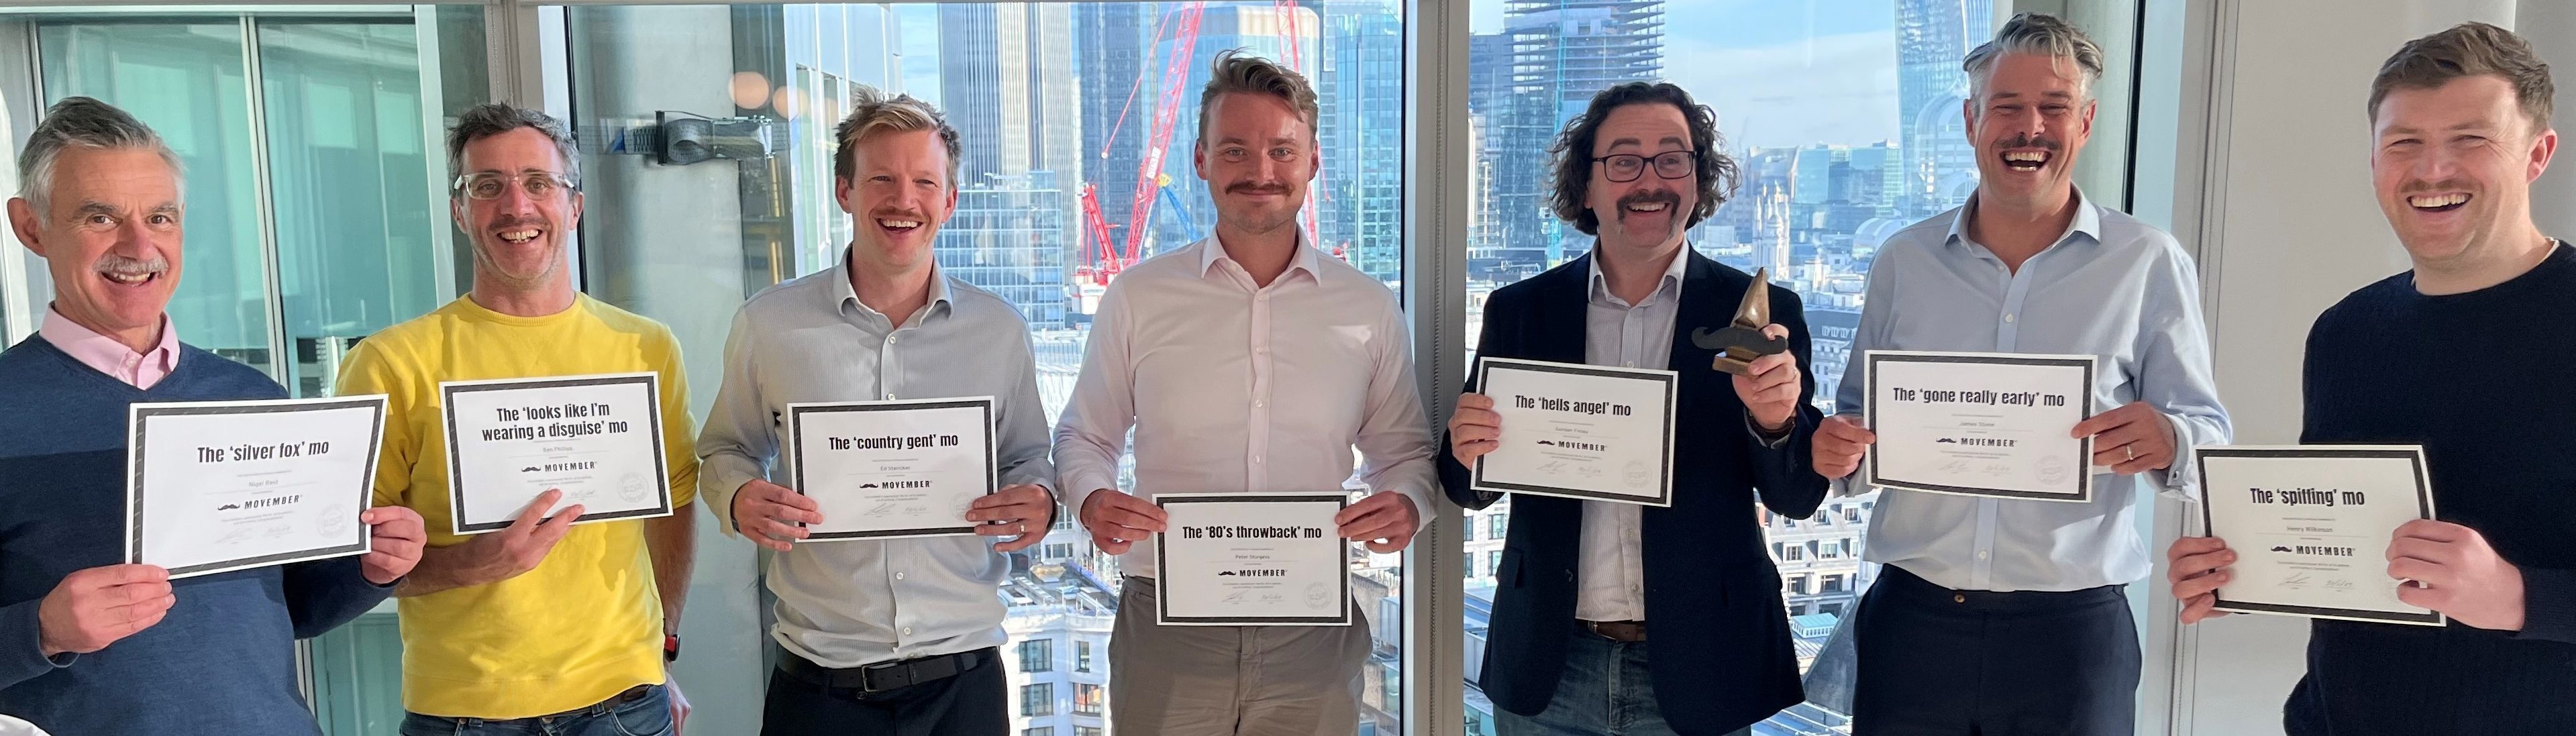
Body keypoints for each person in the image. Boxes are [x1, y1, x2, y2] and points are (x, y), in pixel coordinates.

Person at [1809, 13, 2231, 735]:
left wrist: (2169, 438)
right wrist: (1836, 448)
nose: (2028, 127)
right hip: (1913, 626)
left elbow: (2210, 442)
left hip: (2070, 638)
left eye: (2053, 107)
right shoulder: (1903, 261)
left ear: (2085, 123)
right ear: (1971, 121)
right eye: (2005, 106)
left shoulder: (2146, 262)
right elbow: (1854, 429)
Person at [2166, 21, 2576, 733]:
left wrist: (2518, 597)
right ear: (2374, 159)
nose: (2432, 170)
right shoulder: (2345, 332)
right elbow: (2342, 535)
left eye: (2469, 140)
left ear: (2536, 154)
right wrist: (2250, 568)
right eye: (2404, 143)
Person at [0, 97, 425, 735]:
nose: (139, 245)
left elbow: (289, 605)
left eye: (159, 217)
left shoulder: (252, 396)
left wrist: (370, 569)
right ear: (31, 227)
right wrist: (40, 629)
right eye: (100, 217)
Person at [1053, 50, 1438, 736]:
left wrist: (1407, 500)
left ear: (1312, 163)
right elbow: (1084, 434)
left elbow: (1404, 451)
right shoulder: (1138, 297)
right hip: (1167, 623)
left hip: (1312, 627)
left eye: (1281, 151)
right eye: (1235, 149)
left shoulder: (1368, 308)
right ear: (1201, 160)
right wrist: (1090, 497)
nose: (1260, 171)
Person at [1440, 81, 1824, 736]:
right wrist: (1464, 447)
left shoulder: (1761, 312)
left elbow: (1796, 495)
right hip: (1550, 661)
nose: (1650, 180)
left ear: (1697, 180)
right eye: (1623, 161)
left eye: (1671, 159)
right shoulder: (1520, 311)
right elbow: (1465, 486)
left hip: (1703, 659)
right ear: (1585, 185)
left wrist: (1775, 423)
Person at [699, 88, 1058, 736]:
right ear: (845, 191)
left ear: (950, 200)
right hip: (819, 689)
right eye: (882, 179)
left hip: (963, 685)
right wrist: (738, 496)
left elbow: (1029, 455)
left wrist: (1040, 499)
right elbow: (726, 448)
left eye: (924, 182)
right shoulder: (770, 324)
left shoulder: (999, 331)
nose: (903, 200)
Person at [336, 103, 699, 736]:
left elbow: (674, 504)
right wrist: (471, 564)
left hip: (625, 703)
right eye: (487, 186)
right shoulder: (391, 362)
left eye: (538, 183)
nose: (516, 206)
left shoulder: (644, 348)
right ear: (460, 210)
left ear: (574, 206)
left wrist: (661, 644)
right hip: (465, 713)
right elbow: (347, 565)